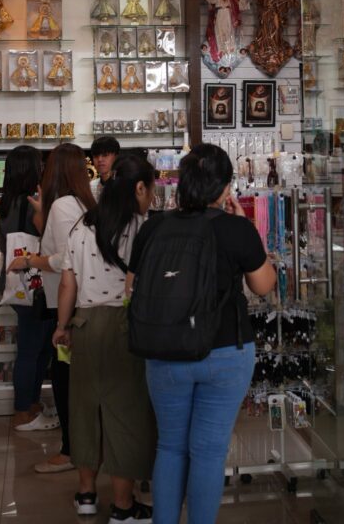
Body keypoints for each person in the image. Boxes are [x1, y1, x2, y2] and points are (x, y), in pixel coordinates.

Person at [127, 144, 277, 524]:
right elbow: (263, 286)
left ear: (183, 184)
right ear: (225, 188)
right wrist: (245, 228)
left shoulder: (154, 227)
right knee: (208, 452)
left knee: (170, 447)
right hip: (226, 351)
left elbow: (132, 287)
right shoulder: (236, 228)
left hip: (164, 351)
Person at [53, 155, 157, 521]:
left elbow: (67, 283)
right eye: (151, 189)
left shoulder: (82, 226)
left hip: (83, 324)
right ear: (139, 188)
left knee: (85, 410)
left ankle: (86, 495)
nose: (152, 197)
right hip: (124, 326)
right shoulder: (142, 228)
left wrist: (62, 326)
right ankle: (123, 507)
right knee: (125, 414)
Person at [8, 143, 96, 473]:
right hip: (84, 301)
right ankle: (82, 448)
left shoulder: (62, 206)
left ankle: (71, 451)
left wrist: (31, 260)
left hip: (67, 304)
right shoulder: (85, 201)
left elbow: (63, 259)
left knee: (63, 377)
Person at [0, 145, 56, 432]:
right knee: (34, 350)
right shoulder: (31, 203)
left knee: (35, 348)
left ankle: (31, 405)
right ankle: (23, 412)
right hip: (36, 284)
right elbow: (49, 237)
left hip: (17, 284)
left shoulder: (6, 203)